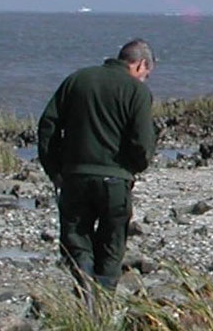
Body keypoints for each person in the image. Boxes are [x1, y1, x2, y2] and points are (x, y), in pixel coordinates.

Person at [36, 39, 157, 290]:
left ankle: (85, 292)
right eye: (146, 73)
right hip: (115, 180)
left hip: (74, 177)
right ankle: (101, 303)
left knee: (76, 241)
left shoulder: (77, 80)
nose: (145, 78)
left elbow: (48, 125)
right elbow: (143, 142)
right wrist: (134, 167)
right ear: (140, 64)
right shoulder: (137, 91)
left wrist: (54, 168)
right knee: (112, 246)